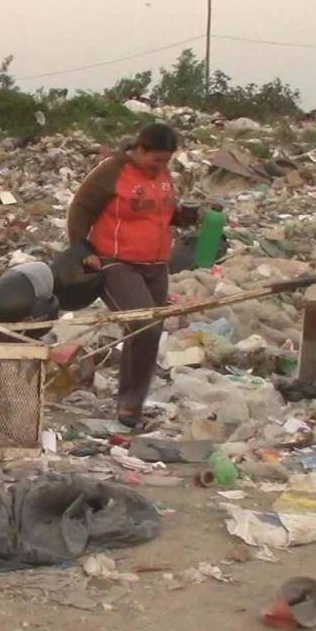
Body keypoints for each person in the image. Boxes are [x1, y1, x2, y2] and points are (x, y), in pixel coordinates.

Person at [66, 123, 201, 427]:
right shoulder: (112, 171)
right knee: (144, 326)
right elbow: (80, 209)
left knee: (148, 333)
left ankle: (131, 405)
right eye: (156, 160)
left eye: (166, 161)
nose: (161, 167)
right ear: (139, 150)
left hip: (155, 264)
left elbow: (162, 213)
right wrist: (81, 250)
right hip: (116, 262)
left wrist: (184, 216)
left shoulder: (162, 175)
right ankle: (128, 404)